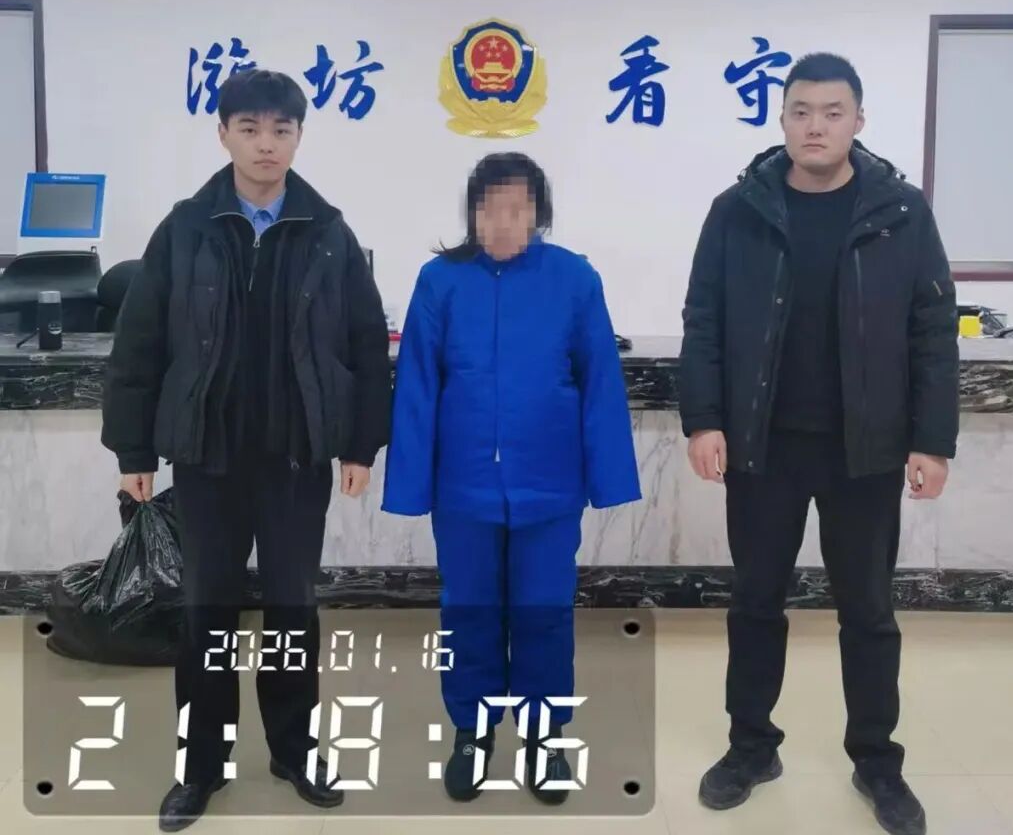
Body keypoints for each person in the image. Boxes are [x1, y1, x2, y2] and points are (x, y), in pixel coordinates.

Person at [101, 69, 391, 832]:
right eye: (251, 128)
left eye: (281, 130)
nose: (267, 144)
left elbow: (365, 344)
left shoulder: (328, 233)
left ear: (299, 137)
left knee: (294, 610)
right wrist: (133, 448)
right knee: (208, 613)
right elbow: (140, 344)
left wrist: (360, 443)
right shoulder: (185, 229)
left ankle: (294, 750)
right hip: (209, 456)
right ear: (223, 133)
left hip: (296, 458)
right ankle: (201, 764)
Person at [679, 53, 958, 835]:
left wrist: (933, 440)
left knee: (868, 611)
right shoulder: (738, 210)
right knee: (755, 602)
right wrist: (704, 419)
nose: (815, 126)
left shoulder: (901, 211)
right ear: (782, 119)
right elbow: (704, 320)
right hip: (763, 447)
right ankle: (750, 747)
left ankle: (877, 761)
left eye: (832, 113)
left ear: (858, 121)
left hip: (864, 451)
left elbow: (933, 329)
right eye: (801, 111)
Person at [383, 152, 641, 805]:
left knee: (543, 614)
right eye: (490, 208)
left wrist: (609, 478)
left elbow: (600, 381)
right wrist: (410, 486)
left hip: (548, 486)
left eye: (518, 209)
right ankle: (471, 733)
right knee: (467, 612)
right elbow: (417, 387)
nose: (503, 222)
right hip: (463, 488)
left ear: (539, 214)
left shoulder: (574, 279)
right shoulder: (440, 280)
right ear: (471, 213)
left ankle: (543, 737)